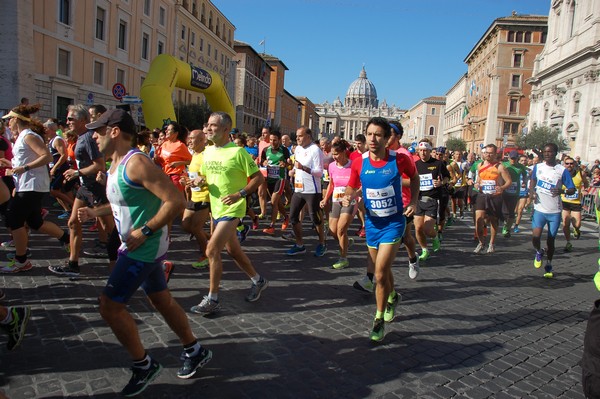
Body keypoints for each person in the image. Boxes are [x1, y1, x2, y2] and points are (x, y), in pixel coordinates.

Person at [79, 109, 212, 396]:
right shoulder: (115, 166)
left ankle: (144, 365)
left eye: (99, 130)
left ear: (114, 131)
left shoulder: (136, 162)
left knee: (109, 307)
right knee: (162, 300)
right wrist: (94, 211)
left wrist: (146, 231)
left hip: (142, 248)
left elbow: (175, 200)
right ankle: (195, 349)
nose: (93, 135)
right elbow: (122, 205)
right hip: (141, 247)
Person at [343, 117, 419, 342]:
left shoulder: (400, 159)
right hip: (373, 224)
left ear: (387, 139)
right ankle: (393, 296)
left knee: (378, 273)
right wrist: (349, 195)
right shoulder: (359, 162)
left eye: (378, 135)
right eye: (369, 134)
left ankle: (378, 319)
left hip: (394, 223)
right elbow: (352, 184)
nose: (373, 139)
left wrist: (413, 202)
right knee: (383, 271)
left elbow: (414, 178)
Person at [190, 112, 268, 315]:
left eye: (213, 125)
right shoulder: (207, 152)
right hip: (216, 208)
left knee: (212, 250)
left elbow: (258, 178)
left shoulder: (238, 152)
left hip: (233, 208)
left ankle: (213, 298)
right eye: (207, 124)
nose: (208, 128)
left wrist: (239, 194)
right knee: (233, 251)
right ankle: (258, 280)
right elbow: (208, 178)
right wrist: (199, 181)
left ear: (226, 130)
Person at [0, 104, 70, 273]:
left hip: (32, 186)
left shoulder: (28, 136)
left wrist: (22, 169)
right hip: (29, 185)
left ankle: (21, 260)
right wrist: (11, 165)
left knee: (14, 219)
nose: (7, 123)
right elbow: (27, 160)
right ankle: (67, 239)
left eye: (9, 119)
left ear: (16, 119)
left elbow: (46, 156)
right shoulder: (23, 136)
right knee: (35, 222)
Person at [48, 104, 114, 277]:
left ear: (83, 120)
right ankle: (73, 264)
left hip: (96, 189)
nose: (67, 121)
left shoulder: (88, 138)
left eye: (71, 119)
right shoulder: (81, 138)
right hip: (85, 187)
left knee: (112, 230)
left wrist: (77, 172)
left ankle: (130, 261)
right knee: (73, 223)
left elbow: (99, 165)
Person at [530, 143, 576, 278]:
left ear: (555, 153)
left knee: (551, 240)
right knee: (535, 236)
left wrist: (562, 190)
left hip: (554, 211)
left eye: (550, 152)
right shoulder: (538, 167)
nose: (546, 154)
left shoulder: (562, 170)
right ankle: (538, 251)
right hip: (539, 209)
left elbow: (572, 189)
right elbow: (533, 181)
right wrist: (532, 192)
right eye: (545, 152)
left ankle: (549, 264)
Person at [285, 126, 327, 257]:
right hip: (298, 188)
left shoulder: (316, 150)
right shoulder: (297, 149)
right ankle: (299, 245)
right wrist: (293, 171)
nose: (297, 138)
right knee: (293, 217)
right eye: (296, 136)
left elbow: (320, 173)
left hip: (312, 190)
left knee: (315, 218)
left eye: (300, 136)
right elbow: (297, 167)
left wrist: (303, 168)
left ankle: (322, 243)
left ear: (308, 136)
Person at [320, 139, 356, 269]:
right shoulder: (331, 166)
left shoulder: (353, 165)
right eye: (333, 154)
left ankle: (343, 258)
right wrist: (325, 199)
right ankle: (346, 242)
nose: (334, 157)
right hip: (336, 200)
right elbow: (332, 184)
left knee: (341, 229)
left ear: (344, 153)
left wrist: (355, 195)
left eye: (336, 154)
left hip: (349, 201)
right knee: (333, 230)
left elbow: (360, 184)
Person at [414, 140, 449, 261]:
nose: (423, 153)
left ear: (429, 151)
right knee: (418, 228)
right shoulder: (415, 165)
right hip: (418, 199)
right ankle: (424, 250)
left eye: (425, 151)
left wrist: (441, 183)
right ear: (418, 151)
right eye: (421, 151)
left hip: (432, 199)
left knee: (427, 229)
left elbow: (447, 177)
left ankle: (434, 237)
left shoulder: (438, 164)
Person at [181, 128, 211, 269]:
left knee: (196, 227)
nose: (189, 141)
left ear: (201, 140)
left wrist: (202, 180)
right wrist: (187, 181)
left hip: (205, 196)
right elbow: (195, 174)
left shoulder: (207, 155)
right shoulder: (195, 154)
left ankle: (206, 255)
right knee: (186, 225)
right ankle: (212, 240)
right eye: (189, 138)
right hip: (194, 195)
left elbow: (211, 174)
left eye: (192, 138)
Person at [473, 144, 512, 254]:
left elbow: (509, 181)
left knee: (493, 220)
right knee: (478, 220)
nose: (488, 155)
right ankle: (481, 242)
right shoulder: (480, 165)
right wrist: (477, 184)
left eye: (491, 153)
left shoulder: (500, 167)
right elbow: (479, 179)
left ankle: (491, 243)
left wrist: (502, 188)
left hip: (495, 197)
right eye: (486, 152)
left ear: (495, 154)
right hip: (482, 195)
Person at [260, 130, 291, 235]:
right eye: (271, 140)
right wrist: (263, 162)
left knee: (273, 202)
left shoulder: (284, 150)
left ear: (279, 140)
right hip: (270, 179)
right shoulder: (265, 150)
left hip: (280, 178)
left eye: (275, 140)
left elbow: (289, 164)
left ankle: (272, 226)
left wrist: (286, 164)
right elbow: (262, 162)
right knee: (277, 202)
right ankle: (286, 217)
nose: (272, 142)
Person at [561, 156, 589, 252]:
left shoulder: (580, 174)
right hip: (565, 202)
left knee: (577, 224)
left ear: (574, 164)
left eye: (571, 163)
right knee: (565, 224)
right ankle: (568, 242)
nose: (569, 165)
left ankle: (576, 229)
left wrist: (585, 189)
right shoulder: (561, 174)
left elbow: (586, 183)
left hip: (576, 203)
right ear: (564, 164)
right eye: (567, 163)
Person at [501, 150, 528, 237]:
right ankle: (505, 223)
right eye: (511, 158)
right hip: (504, 191)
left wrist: (524, 181)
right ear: (508, 158)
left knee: (511, 213)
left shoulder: (521, 167)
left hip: (515, 192)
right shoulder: (504, 165)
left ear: (517, 159)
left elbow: (525, 175)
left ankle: (507, 228)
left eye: (514, 159)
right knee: (504, 212)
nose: (513, 160)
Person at [513, 154, 531, 233]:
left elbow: (533, 181)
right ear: (518, 161)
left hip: (524, 192)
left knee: (520, 210)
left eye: (525, 160)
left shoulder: (529, 170)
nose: (524, 162)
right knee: (514, 210)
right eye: (522, 160)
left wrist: (531, 191)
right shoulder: (515, 169)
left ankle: (516, 225)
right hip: (515, 191)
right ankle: (509, 223)